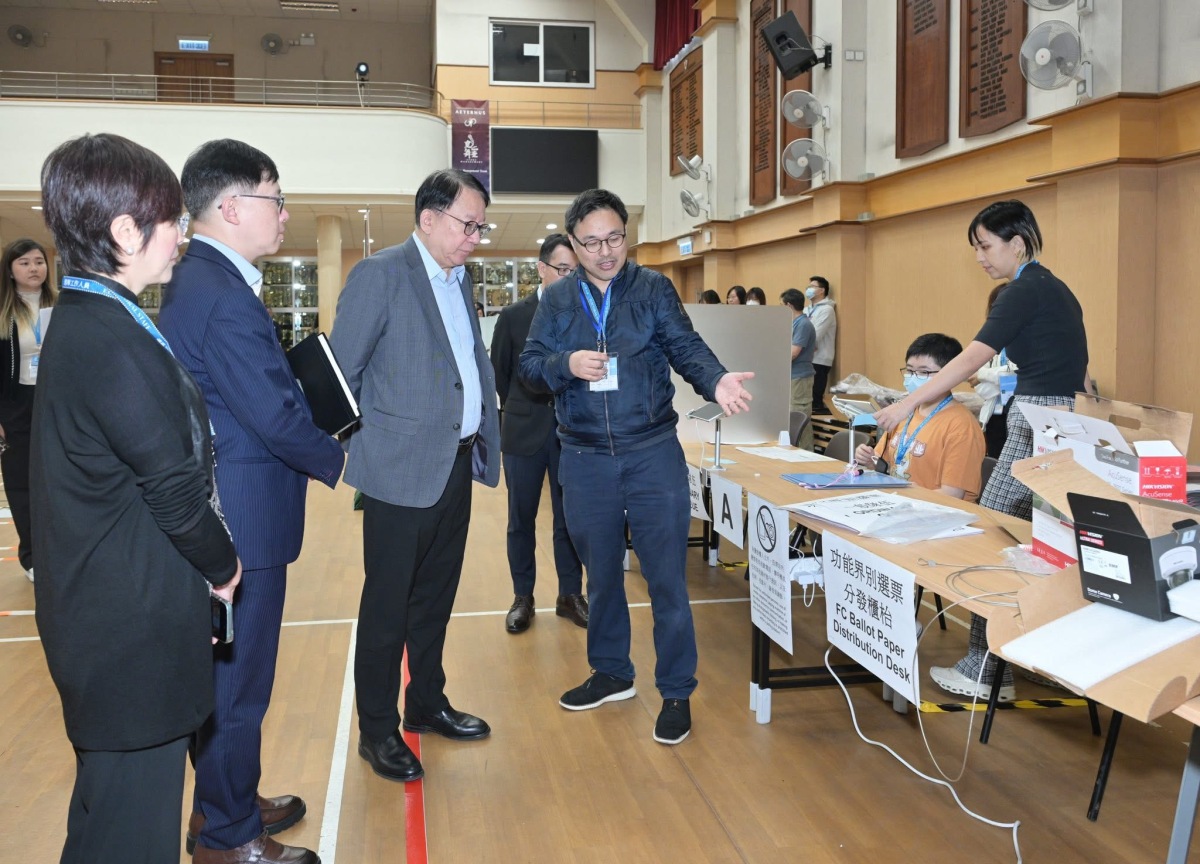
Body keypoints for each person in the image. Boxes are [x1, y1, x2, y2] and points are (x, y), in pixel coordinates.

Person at [33, 132, 241, 864]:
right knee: (132, 835)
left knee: (107, 825)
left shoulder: (91, 318)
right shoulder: (109, 339)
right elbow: (174, 493)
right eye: (172, 220)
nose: (182, 234)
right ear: (125, 231)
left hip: (105, 619)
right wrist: (224, 566)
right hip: (128, 633)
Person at [159, 138, 344, 864]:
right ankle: (228, 836)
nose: (285, 213)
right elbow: (272, 415)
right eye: (276, 198)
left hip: (233, 509)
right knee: (238, 688)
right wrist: (344, 459)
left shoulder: (204, 280)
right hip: (242, 519)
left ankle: (225, 800)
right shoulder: (219, 294)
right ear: (232, 206)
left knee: (231, 683)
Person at [519, 188, 754, 746]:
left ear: (628, 235)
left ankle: (676, 690)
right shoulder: (557, 300)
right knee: (601, 574)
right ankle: (611, 673)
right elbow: (529, 367)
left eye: (615, 238)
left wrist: (716, 380)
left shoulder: (652, 289)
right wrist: (565, 363)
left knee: (666, 577)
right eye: (591, 243)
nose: (605, 252)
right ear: (572, 244)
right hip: (584, 457)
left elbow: (686, 347)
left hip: (651, 453)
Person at [874, 200, 1089, 702]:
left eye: (985, 246)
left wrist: (907, 402)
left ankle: (986, 670)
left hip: (1040, 427)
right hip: (1062, 423)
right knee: (1044, 549)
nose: (979, 258)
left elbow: (971, 358)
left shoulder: (1024, 290)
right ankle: (1032, 653)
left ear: (1018, 243)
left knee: (989, 538)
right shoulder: (1054, 288)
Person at [329, 168, 501, 784]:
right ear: (428, 218)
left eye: (481, 227)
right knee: (387, 607)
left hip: (455, 464)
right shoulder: (380, 275)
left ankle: (425, 702)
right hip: (399, 473)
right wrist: (363, 452)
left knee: (435, 598)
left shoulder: (459, 279)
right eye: (467, 224)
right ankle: (376, 730)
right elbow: (342, 374)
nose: (474, 237)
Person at [491, 234, 586, 634]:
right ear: (542, 269)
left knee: (569, 519)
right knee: (521, 518)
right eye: (562, 269)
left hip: (570, 433)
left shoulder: (584, 316)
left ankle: (570, 595)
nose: (569, 278)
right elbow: (500, 375)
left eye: (575, 271)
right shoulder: (513, 317)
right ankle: (522, 597)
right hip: (523, 431)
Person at [854, 334, 986, 501]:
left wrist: (904, 495)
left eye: (924, 372)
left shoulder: (961, 427)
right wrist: (869, 459)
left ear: (950, 376)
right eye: (910, 371)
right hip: (897, 501)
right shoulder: (903, 413)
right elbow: (885, 466)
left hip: (936, 510)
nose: (914, 378)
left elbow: (952, 496)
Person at [0, 238, 55, 583]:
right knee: (22, 484)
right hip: (15, 406)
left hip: (55, 402)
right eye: (24, 263)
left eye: (38, 261)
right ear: (10, 271)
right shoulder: (4, 312)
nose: (33, 268)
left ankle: (58, 550)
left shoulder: (62, 305)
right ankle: (31, 556)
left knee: (57, 480)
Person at [780, 289, 816, 451]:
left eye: (781, 305)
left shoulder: (803, 324)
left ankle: (807, 454)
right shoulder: (794, 323)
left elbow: (794, 352)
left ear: (788, 306)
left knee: (800, 417)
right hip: (792, 377)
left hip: (800, 378)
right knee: (791, 418)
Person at [806, 275, 837, 414]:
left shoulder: (827, 310)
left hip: (820, 359)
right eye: (808, 286)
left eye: (812, 287)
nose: (808, 289)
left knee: (815, 401)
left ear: (822, 290)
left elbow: (816, 335)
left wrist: (802, 344)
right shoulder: (806, 310)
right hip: (806, 357)